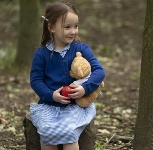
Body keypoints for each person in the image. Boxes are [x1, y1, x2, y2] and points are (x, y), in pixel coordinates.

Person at [29, 1, 105, 150]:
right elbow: (36, 80)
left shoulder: (81, 48)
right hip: (49, 105)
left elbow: (99, 71)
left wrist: (84, 89)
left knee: (69, 134)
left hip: (75, 107)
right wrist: (51, 95)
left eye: (75, 26)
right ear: (51, 27)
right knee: (47, 134)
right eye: (67, 27)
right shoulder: (41, 54)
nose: (73, 31)